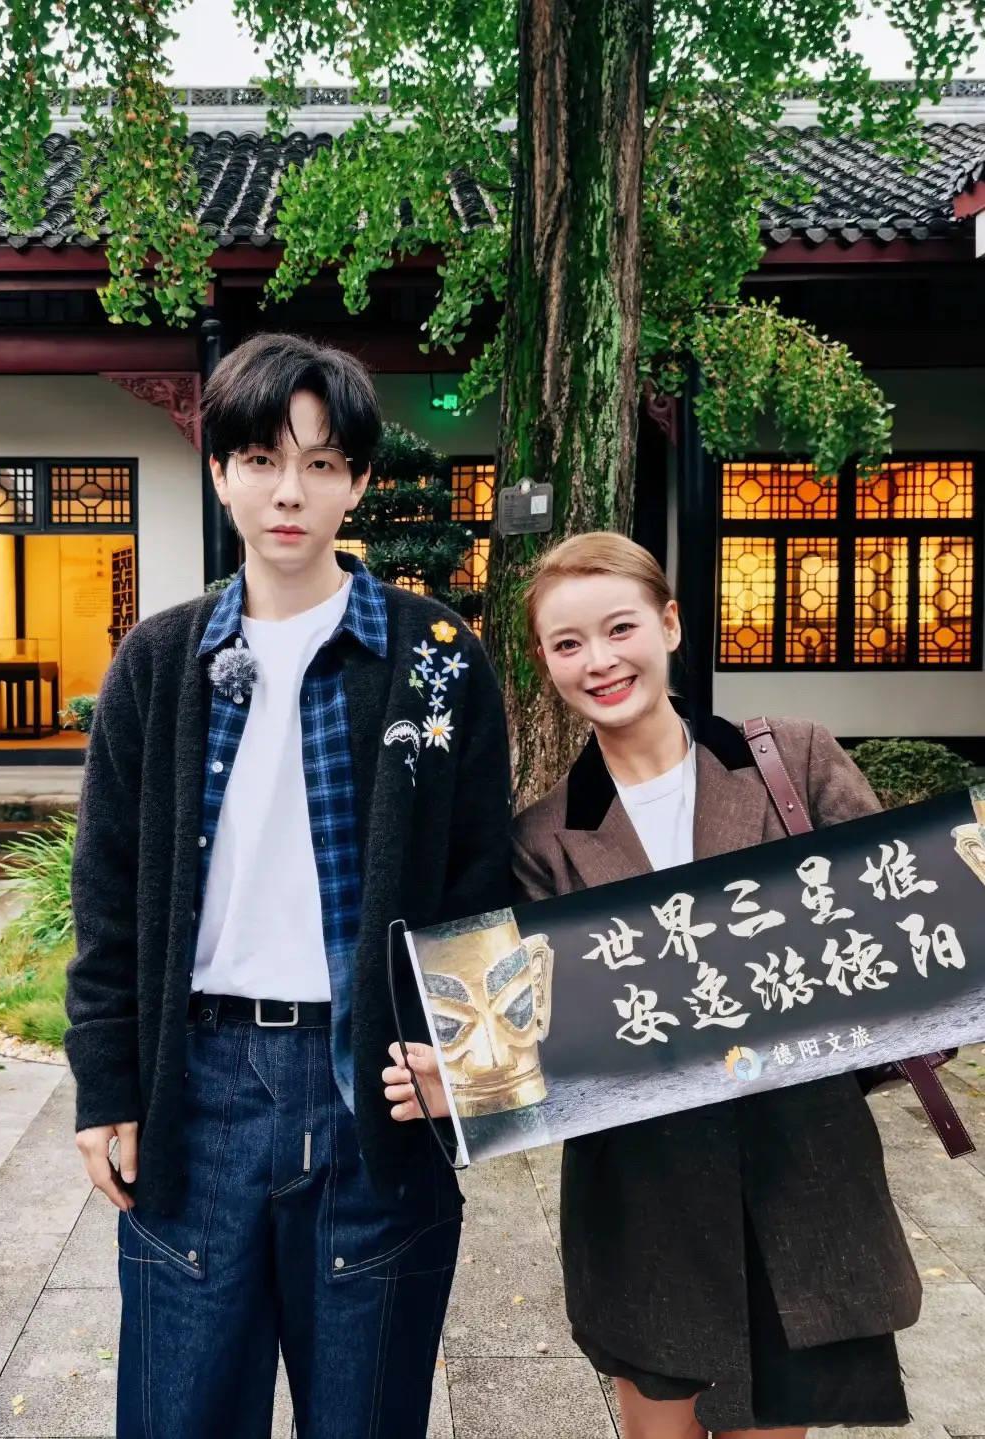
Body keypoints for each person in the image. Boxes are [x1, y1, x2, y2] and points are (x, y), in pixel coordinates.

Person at [65, 332, 512, 1439]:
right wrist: (106, 1086)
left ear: (357, 481)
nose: (289, 492)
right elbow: (108, 894)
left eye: (321, 463)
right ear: (221, 471)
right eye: (262, 459)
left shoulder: (436, 654)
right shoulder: (158, 662)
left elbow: (480, 876)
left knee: (365, 1412)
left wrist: (477, 1065)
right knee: (181, 1411)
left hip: (371, 1086)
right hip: (197, 1085)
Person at [384, 531, 921, 1439]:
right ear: (545, 662)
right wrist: (468, 1080)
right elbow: (543, 1026)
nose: (599, 660)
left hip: (801, 1173)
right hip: (645, 1195)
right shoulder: (541, 839)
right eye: (567, 643)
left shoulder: (794, 760)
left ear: (669, 623)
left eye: (620, 627)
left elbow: (892, 943)